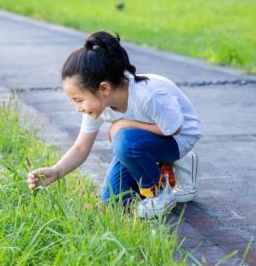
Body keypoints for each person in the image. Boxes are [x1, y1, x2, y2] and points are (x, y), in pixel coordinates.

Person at [27, 31, 201, 218]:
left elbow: (173, 129)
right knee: (114, 201)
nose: (78, 108)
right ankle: (159, 169)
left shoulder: (148, 95)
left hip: (178, 138)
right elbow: (80, 148)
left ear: (104, 88)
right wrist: (56, 171)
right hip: (142, 142)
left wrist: (125, 124)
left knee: (125, 140)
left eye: (78, 100)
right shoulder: (100, 104)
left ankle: (160, 193)